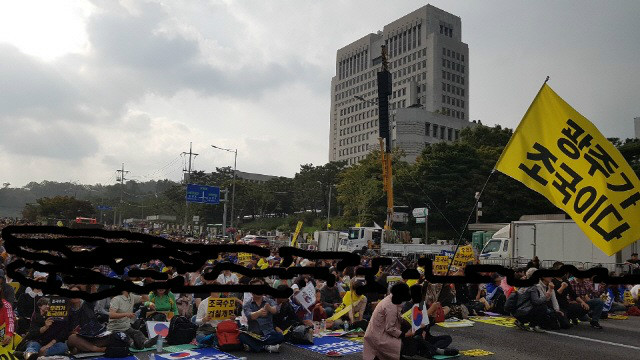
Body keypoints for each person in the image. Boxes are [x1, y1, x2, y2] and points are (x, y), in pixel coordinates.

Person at [239, 279, 284, 353]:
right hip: (255, 334)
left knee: (280, 336)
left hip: (268, 333)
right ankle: (266, 347)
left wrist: (269, 308)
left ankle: (257, 347)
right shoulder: (247, 304)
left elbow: (276, 310)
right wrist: (259, 313)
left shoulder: (269, 300)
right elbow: (250, 316)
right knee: (241, 336)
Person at [513, 268, 552, 332]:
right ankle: (533, 325)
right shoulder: (533, 287)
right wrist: (546, 296)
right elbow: (536, 301)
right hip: (523, 312)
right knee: (542, 307)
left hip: (516, 310)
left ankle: (520, 321)